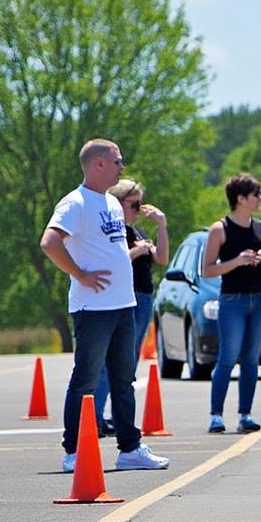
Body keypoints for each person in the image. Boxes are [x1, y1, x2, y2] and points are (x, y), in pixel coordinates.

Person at [39, 139, 169, 473]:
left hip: (123, 305)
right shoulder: (75, 203)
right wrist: (79, 273)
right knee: (86, 378)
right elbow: (50, 242)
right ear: (98, 163)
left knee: (124, 379)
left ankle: (130, 448)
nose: (121, 166)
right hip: (93, 309)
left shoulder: (111, 203)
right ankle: (74, 451)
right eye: (117, 160)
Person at [202, 173, 261, 434]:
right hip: (232, 299)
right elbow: (207, 270)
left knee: (251, 359)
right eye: (256, 194)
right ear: (241, 198)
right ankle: (216, 415)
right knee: (227, 357)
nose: (260, 199)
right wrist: (237, 261)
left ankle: (246, 414)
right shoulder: (219, 229)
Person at [92, 179, 169, 435]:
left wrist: (161, 225)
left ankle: (117, 417)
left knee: (129, 361)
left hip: (143, 297)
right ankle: (95, 417)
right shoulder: (113, 231)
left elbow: (162, 258)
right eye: (134, 204)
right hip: (124, 297)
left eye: (140, 204)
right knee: (108, 362)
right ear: (118, 202)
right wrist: (136, 252)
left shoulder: (137, 232)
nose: (138, 209)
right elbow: (112, 261)